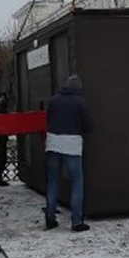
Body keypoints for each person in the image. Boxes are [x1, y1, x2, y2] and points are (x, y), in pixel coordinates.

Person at [44, 74, 93, 232]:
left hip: (52, 142)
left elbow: (48, 119)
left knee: (53, 181)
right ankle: (76, 221)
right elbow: (87, 125)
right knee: (77, 182)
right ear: (78, 89)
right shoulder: (79, 102)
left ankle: (50, 218)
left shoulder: (53, 100)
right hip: (72, 144)